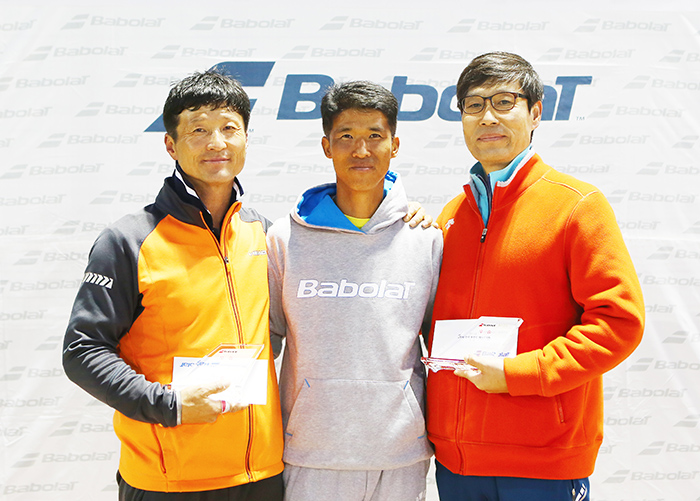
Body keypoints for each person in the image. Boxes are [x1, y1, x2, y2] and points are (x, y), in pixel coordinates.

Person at [426, 52, 645, 500]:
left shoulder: (577, 205)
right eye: (473, 105)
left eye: (504, 101)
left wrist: (519, 374)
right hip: (456, 462)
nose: (487, 116)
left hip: (543, 462)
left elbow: (619, 322)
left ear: (536, 113)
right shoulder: (451, 216)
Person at [63, 71, 286, 499]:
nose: (216, 143)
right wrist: (172, 405)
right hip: (168, 481)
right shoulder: (129, 240)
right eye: (198, 130)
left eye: (229, 128)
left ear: (245, 139)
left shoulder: (265, 233)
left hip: (261, 475)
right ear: (171, 145)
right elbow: (82, 351)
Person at [266, 80, 443, 501]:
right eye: (346, 136)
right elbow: (263, 342)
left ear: (394, 145)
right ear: (326, 146)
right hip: (310, 453)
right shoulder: (284, 238)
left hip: (399, 454)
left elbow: (441, 345)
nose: (361, 150)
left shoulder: (426, 239)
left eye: (374, 136)